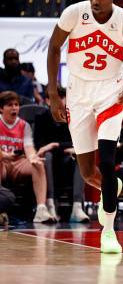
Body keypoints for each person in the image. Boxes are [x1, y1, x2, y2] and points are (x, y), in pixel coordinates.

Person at [46, 0, 123, 253]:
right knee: (88, 171)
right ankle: (110, 187)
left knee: (106, 159)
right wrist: (54, 95)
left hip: (110, 93)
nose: (94, 1)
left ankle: (109, 231)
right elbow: (54, 48)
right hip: (77, 95)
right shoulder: (74, 13)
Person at [34, 87, 89, 222]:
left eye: (63, 98)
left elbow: (75, 143)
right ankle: (50, 205)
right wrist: (60, 146)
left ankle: (77, 207)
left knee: (79, 156)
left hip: (66, 160)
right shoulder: (41, 118)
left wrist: (55, 145)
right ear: (47, 101)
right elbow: (40, 146)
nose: (61, 101)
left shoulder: (72, 118)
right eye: (57, 98)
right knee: (47, 156)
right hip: (49, 161)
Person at [0, 91, 56, 222]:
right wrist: (5, 155)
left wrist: (32, 157)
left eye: (16, 104)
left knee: (38, 163)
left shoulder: (24, 125)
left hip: (18, 163)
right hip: (3, 161)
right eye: (10, 105)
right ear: (1, 108)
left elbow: (29, 147)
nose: (14, 108)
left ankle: (41, 210)